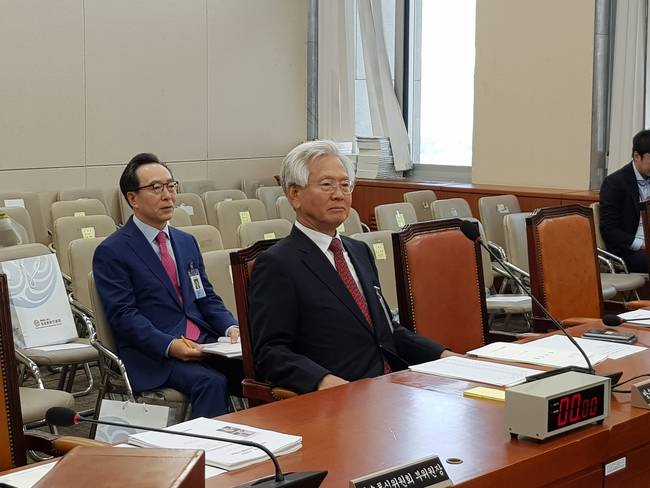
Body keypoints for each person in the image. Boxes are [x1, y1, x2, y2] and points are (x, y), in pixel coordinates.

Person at [249, 140, 452, 394]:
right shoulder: (278, 263)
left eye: (345, 185)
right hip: (340, 397)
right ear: (295, 194)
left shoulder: (359, 251)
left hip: (390, 388)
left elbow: (388, 333)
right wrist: (325, 382)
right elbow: (271, 352)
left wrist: (446, 357)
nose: (339, 194)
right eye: (327, 185)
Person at [93, 153, 239, 417]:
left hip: (204, 342)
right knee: (212, 383)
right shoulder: (113, 251)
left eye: (171, 186)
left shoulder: (186, 242)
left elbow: (205, 297)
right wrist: (170, 345)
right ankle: (206, 444)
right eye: (156, 188)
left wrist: (231, 327)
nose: (168, 196)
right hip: (155, 354)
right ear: (133, 199)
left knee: (262, 368)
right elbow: (124, 316)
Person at [600, 129, 650, 273]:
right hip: (628, 250)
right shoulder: (614, 183)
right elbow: (609, 230)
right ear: (637, 156)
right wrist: (643, 245)